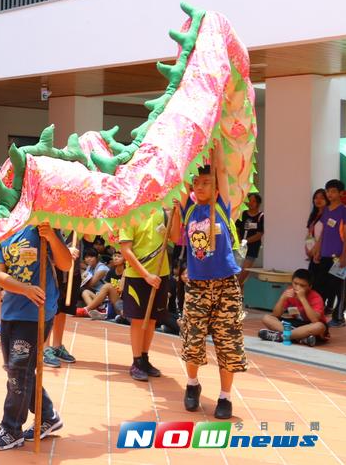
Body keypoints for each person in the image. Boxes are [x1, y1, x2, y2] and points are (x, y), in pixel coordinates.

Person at [0, 221, 72, 450]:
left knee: (19, 371)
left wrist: (51, 236)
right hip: (10, 312)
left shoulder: (42, 227)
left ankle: (11, 429)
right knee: (17, 371)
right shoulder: (0, 230)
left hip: (37, 312)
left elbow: (66, 264)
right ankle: (48, 415)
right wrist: (24, 289)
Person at [172, 147, 245, 421]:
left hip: (226, 286)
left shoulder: (222, 206)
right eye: (196, 183)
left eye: (206, 183)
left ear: (215, 189)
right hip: (198, 287)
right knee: (192, 340)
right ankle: (192, 385)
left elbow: (222, 172)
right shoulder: (189, 210)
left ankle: (225, 397)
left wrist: (214, 146)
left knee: (228, 343)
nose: (200, 187)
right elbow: (181, 179)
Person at [117, 208, 171, 381]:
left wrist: (174, 214)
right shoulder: (129, 214)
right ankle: (136, 360)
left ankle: (145, 357)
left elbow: (175, 237)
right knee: (139, 319)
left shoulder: (163, 212)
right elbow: (126, 250)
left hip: (161, 274)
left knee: (152, 319)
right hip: (138, 276)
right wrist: (146, 275)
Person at [308, 179, 346, 328]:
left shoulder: (345, 211)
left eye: (333, 191)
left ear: (341, 193)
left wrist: (344, 255)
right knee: (321, 285)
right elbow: (324, 232)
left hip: (339, 256)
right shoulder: (326, 210)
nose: (329, 194)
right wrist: (317, 250)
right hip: (325, 255)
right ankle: (319, 315)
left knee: (339, 287)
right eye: (328, 191)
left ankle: (339, 318)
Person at [258, 268, 328, 346]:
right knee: (266, 318)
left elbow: (314, 320)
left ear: (309, 287)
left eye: (302, 285)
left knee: (319, 326)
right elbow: (276, 314)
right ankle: (301, 338)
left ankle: (281, 336)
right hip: (294, 325)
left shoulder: (316, 297)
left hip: (310, 325)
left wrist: (303, 298)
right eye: (295, 283)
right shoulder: (289, 291)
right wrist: (282, 298)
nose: (297, 287)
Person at [43, 235, 82, 368]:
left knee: (62, 310)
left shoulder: (79, 223)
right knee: (49, 308)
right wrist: (65, 252)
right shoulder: (53, 223)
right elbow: (44, 250)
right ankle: (44, 347)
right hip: (53, 271)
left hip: (73, 272)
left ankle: (57, 345)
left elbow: (89, 238)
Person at [78, 250, 125, 319]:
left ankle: (87, 310)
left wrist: (124, 274)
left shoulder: (127, 272)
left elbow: (121, 289)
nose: (116, 258)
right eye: (115, 256)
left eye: (119, 256)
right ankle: (95, 312)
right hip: (106, 298)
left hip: (119, 301)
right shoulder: (111, 271)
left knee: (108, 286)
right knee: (85, 292)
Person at [236, 193, 264, 286]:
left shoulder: (261, 216)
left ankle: (237, 292)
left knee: (244, 272)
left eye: (253, 201)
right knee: (237, 271)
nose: (250, 203)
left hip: (252, 248)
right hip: (241, 247)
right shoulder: (243, 214)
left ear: (258, 203)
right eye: (249, 201)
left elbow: (259, 234)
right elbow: (237, 229)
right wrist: (239, 240)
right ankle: (240, 295)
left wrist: (246, 241)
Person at [305, 188, 327, 264]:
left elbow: (324, 235)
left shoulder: (328, 215)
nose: (318, 200)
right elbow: (309, 234)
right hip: (312, 253)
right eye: (316, 198)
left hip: (322, 252)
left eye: (322, 198)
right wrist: (308, 250)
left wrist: (316, 250)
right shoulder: (313, 215)